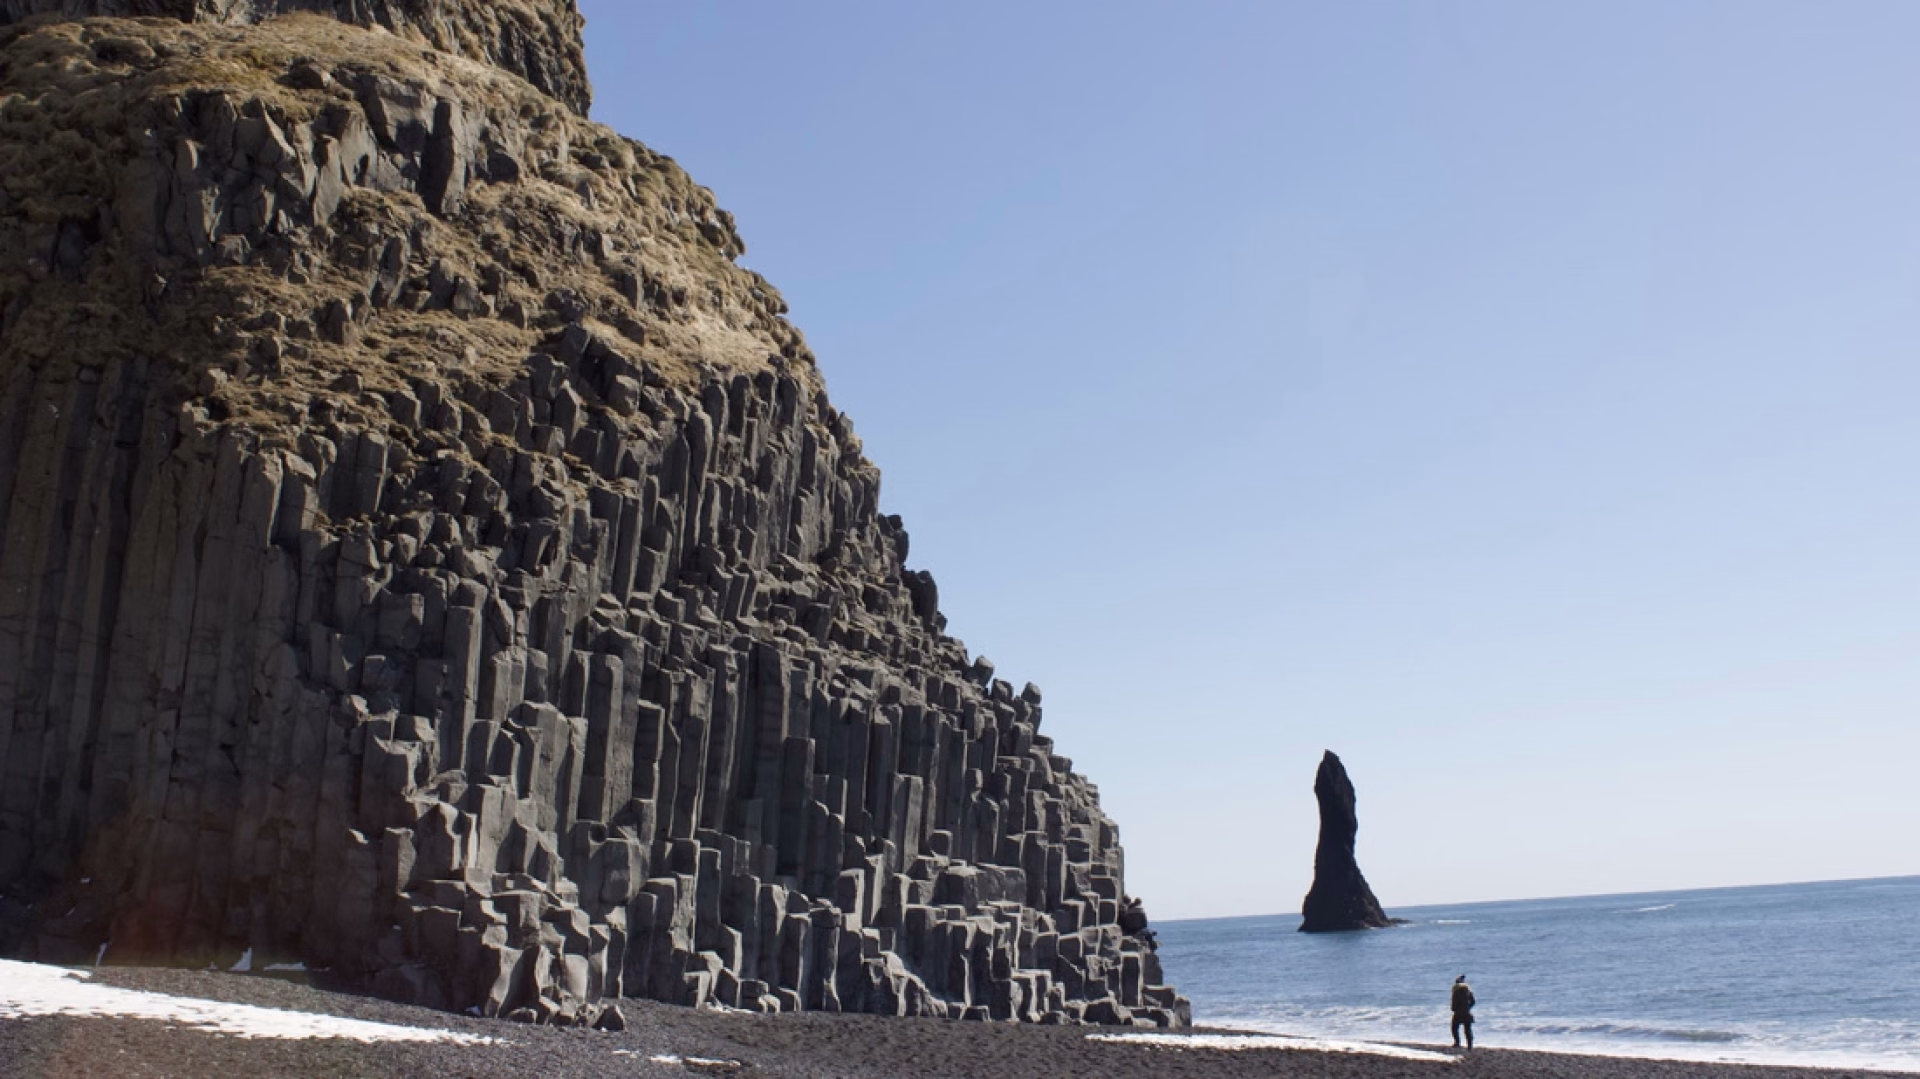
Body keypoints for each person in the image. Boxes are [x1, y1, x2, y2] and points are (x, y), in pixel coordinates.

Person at [1450, 975, 1476, 1049]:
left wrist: (1454, 1009)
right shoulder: (1468, 990)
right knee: (1467, 1029)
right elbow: (1473, 1001)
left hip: (1458, 1012)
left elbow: (1454, 1002)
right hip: (1467, 1012)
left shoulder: (1456, 991)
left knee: (1454, 1027)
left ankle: (1457, 1042)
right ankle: (1470, 1045)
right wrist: (1468, 1007)